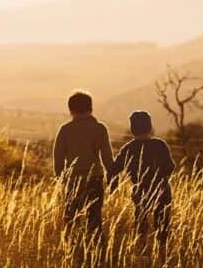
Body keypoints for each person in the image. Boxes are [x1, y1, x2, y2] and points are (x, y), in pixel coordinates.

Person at [53, 91, 114, 245]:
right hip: (95, 179)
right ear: (91, 108)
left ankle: (73, 252)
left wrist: (60, 178)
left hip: (73, 181)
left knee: (71, 220)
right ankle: (98, 254)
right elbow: (107, 156)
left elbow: (58, 157)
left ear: (70, 110)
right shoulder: (100, 128)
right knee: (94, 219)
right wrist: (113, 176)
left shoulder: (65, 130)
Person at [111, 110, 175, 257]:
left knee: (141, 223)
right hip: (162, 189)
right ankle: (162, 253)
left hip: (141, 191)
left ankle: (142, 253)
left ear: (133, 129)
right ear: (150, 126)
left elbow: (114, 169)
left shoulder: (128, 148)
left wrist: (112, 185)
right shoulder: (160, 145)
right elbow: (170, 167)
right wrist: (162, 178)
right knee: (163, 224)